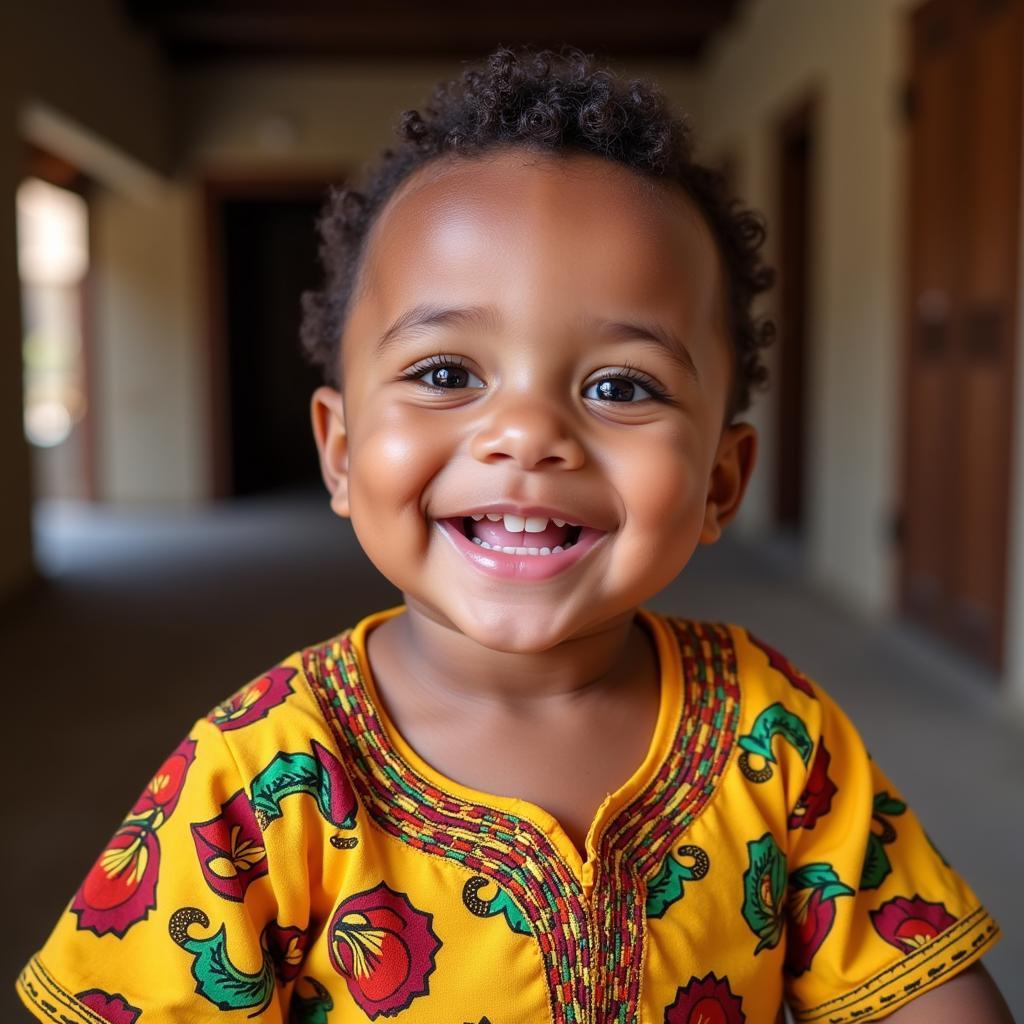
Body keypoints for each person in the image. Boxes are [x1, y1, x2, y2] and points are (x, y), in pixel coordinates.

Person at [16, 47, 1012, 1024]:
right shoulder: (256, 778)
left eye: (619, 386)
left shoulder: (775, 733)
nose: (528, 435)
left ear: (719, 482)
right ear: (342, 451)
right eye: (448, 373)